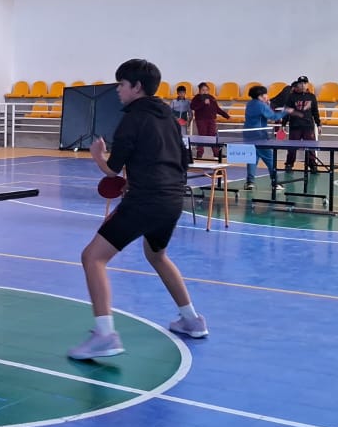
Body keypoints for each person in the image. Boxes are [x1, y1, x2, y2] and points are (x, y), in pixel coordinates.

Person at [67, 58, 206, 360]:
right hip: (173, 199)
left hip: (146, 200)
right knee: (156, 255)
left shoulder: (131, 119)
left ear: (136, 87)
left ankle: (104, 335)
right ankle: (192, 320)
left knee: (92, 257)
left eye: (121, 84)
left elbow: (112, 171)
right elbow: (182, 161)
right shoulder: (170, 116)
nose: (118, 89)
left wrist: (97, 155)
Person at [242, 85, 287, 192]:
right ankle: (275, 183)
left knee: (252, 159)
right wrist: (286, 111)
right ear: (260, 96)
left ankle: (250, 182)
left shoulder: (250, 104)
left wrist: (267, 105)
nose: (267, 96)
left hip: (248, 134)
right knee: (270, 159)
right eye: (265, 94)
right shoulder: (261, 105)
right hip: (259, 135)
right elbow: (274, 117)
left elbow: (263, 115)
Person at [275, 75, 322, 174]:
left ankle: (312, 165)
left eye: (305, 83)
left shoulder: (312, 97)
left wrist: (318, 124)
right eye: (301, 83)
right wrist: (283, 125)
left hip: (308, 126)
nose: (303, 85)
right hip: (295, 126)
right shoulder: (291, 97)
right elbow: (287, 111)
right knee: (292, 147)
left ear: (307, 84)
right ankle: (289, 164)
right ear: (298, 84)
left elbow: (315, 111)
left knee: (311, 147)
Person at [190, 82, 230, 160]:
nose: (205, 92)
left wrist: (226, 116)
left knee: (212, 136)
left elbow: (217, 109)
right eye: (203, 90)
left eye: (206, 90)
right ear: (199, 90)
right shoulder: (196, 98)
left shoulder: (211, 98)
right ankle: (199, 154)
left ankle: (216, 154)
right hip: (201, 120)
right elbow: (193, 107)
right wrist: (203, 103)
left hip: (211, 120)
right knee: (202, 137)